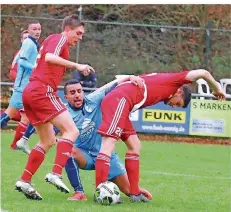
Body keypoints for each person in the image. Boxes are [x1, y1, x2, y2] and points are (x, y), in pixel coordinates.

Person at [95, 69, 225, 202]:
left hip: (123, 103)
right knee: (108, 144)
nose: (174, 107)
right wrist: (216, 88)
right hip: (120, 100)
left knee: (135, 145)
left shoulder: (165, 86)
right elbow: (203, 73)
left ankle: (135, 193)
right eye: (178, 104)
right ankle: (100, 191)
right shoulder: (176, 81)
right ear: (179, 92)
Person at [15, 14, 95, 201]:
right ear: (67, 29)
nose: (80, 37)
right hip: (42, 91)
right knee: (71, 131)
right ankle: (56, 173)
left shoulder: (56, 42)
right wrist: (77, 65)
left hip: (32, 91)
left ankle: (25, 180)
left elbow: (45, 61)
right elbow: (50, 57)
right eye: (78, 33)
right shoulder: (60, 39)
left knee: (48, 140)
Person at [62, 78, 151, 202]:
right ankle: (79, 192)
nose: (77, 95)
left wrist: (130, 78)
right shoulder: (64, 113)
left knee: (130, 191)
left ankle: (134, 189)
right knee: (68, 151)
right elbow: (49, 129)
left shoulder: (92, 99)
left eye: (79, 91)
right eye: (72, 93)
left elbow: (112, 85)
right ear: (66, 97)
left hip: (105, 154)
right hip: (84, 155)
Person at [1, 19, 41, 144]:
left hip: (28, 86)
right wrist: (34, 68)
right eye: (34, 29)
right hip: (22, 86)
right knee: (10, 114)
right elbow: (22, 62)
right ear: (28, 30)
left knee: (28, 116)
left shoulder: (33, 44)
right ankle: (20, 143)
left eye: (39, 29)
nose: (37, 31)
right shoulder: (28, 43)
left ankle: (19, 143)